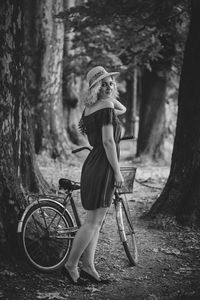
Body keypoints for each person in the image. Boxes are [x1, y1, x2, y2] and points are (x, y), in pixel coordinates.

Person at [62, 66, 126, 285]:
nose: (108, 87)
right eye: (103, 84)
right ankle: (71, 265)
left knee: (95, 222)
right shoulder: (105, 107)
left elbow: (123, 109)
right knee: (92, 222)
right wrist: (118, 172)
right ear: (95, 88)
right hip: (104, 166)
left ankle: (88, 266)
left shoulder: (90, 109)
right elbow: (108, 142)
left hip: (93, 164)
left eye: (111, 83)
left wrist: (108, 94)